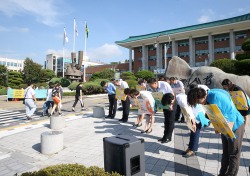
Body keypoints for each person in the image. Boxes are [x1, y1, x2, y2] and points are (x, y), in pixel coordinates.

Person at [187, 88, 245, 176]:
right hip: (225, 127)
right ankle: (222, 173)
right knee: (225, 152)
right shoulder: (207, 98)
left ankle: (231, 174)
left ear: (202, 97)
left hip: (235, 125)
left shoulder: (216, 96)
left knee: (233, 153)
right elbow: (215, 114)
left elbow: (231, 111)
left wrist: (226, 129)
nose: (198, 104)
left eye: (198, 102)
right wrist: (218, 127)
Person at [174, 92, 210, 158]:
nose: (171, 106)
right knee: (192, 132)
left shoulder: (181, 100)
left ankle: (192, 150)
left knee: (195, 132)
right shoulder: (178, 97)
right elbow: (185, 110)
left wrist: (193, 123)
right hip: (194, 113)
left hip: (197, 114)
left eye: (171, 104)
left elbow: (189, 110)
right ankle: (190, 148)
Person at [147, 78, 174, 143]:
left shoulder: (164, 84)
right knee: (166, 121)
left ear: (155, 83)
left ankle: (168, 137)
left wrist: (171, 104)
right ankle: (165, 137)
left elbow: (172, 94)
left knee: (170, 121)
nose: (151, 87)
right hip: (164, 104)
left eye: (151, 86)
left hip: (171, 104)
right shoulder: (155, 88)